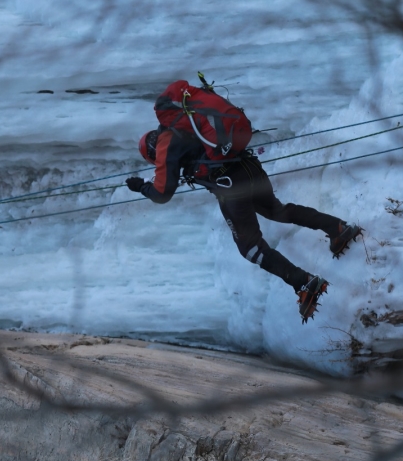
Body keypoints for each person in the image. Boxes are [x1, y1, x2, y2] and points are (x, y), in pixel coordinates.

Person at [125, 113, 361, 324]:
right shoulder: (184, 129)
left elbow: (162, 193)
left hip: (229, 184)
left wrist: (142, 187)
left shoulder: (167, 150)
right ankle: (337, 227)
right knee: (277, 211)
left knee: (250, 248)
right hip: (248, 167)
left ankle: (304, 282)